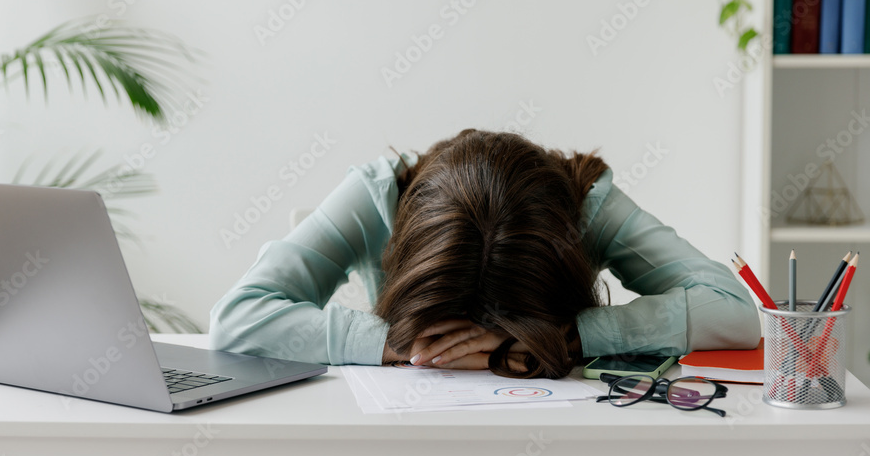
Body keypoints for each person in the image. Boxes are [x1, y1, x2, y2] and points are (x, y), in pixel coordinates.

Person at [209, 129, 760, 379]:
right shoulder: (378, 194)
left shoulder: (584, 203)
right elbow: (237, 318)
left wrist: (565, 336)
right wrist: (402, 346)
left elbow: (735, 310)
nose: (471, 348)